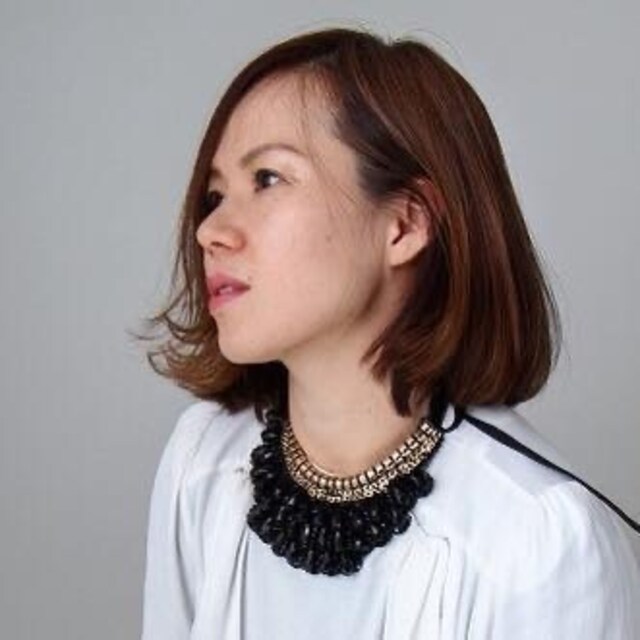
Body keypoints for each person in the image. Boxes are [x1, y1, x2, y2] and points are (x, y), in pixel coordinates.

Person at [136, 26, 640, 639]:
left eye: (267, 179)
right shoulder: (202, 463)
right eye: (215, 195)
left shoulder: (540, 544)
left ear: (405, 223)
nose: (209, 231)